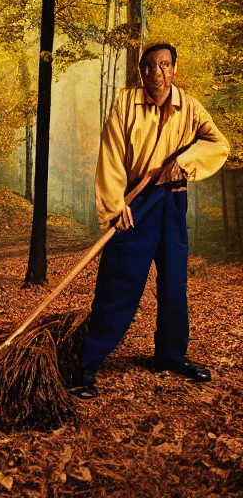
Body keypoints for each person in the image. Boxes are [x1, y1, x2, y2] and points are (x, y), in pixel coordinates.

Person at [73, 43, 230, 399]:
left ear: (174, 69)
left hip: (172, 202)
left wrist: (185, 163)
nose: (157, 74)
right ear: (140, 72)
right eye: (149, 67)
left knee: (174, 285)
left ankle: (170, 355)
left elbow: (219, 144)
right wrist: (115, 204)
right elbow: (111, 153)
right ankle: (87, 364)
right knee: (119, 285)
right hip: (135, 203)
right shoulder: (125, 104)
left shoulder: (189, 106)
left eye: (164, 65)